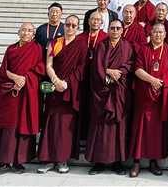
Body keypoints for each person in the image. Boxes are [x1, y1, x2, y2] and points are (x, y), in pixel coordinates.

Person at [0, 22, 44, 174]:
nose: (26, 33)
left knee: (22, 125)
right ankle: (2, 161)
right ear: (18, 32)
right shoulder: (11, 49)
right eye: (23, 30)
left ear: (33, 34)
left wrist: (24, 80)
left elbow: (39, 69)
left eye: (30, 30)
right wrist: (15, 78)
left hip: (26, 94)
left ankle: (19, 161)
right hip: (9, 93)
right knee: (6, 126)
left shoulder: (37, 49)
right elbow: (3, 70)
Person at [37, 15, 88, 174]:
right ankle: (47, 159)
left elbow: (82, 67)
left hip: (71, 90)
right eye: (68, 24)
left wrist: (66, 83)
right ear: (63, 26)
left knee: (66, 126)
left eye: (74, 25)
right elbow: (49, 65)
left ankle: (62, 159)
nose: (70, 28)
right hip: (54, 89)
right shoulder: (54, 43)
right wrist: (56, 81)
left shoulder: (81, 45)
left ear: (78, 28)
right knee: (50, 124)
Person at [86, 19, 134, 176]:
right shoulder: (101, 45)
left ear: (122, 30)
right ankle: (98, 162)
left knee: (118, 127)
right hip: (103, 91)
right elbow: (96, 66)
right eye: (112, 28)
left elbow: (129, 65)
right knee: (100, 127)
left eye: (118, 28)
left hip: (119, 91)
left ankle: (117, 163)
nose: (115, 30)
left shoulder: (127, 46)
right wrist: (108, 72)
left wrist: (118, 74)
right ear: (108, 29)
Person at [129, 22, 168, 177]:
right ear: (151, 33)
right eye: (155, 32)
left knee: (156, 131)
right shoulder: (143, 49)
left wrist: (160, 83)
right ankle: (136, 162)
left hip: (160, 96)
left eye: (161, 32)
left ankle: (153, 162)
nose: (158, 34)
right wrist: (152, 81)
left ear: (165, 34)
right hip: (144, 95)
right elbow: (137, 69)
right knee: (140, 129)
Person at [77, 11, 107, 142]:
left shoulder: (106, 38)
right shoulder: (80, 37)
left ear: (102, 23)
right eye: (93, 19)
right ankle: (82, 134)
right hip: (83, 76)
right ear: (88, 21)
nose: (95, 22)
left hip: (98, 77)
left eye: (98, 20)